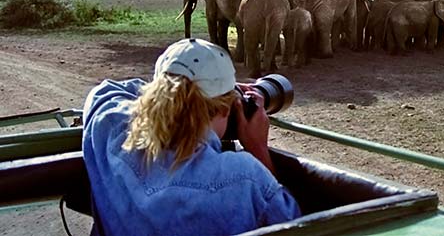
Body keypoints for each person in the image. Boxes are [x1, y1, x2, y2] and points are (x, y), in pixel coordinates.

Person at [82, 38, 301, 236]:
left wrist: (172, 87)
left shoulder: (112, 132)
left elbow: (108, 90)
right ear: (226, 109)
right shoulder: (246, 176)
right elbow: (297, 226)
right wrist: (258, 149)